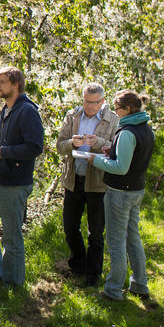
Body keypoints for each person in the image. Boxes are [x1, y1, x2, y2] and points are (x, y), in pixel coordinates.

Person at [0, 66, 44, 287]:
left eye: (2, 82)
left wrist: (4, 153)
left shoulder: (27, 112)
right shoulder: (5, 111)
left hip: (14, 184)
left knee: (12, 236)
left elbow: (34, 147)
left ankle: (13, 284)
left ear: (15, 84)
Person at [91, 90, 156, 304]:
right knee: (132, 238)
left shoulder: (128, 132)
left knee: (116, 242)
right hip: (136, 190)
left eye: (117, 109)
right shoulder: (145, 129)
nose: (115, 113)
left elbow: (120, 167)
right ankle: (139, 285)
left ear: (128, 109)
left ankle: (113, 290)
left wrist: (96, 160)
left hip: (120, 193)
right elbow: (133, 158)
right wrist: (113, 150)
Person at [56, 83, 120, 287]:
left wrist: (99, 143)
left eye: (94, 103)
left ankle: (93, 274)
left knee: (96, 231)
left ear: (102, 101)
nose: (90, 106)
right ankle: (78, 264)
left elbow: (116, 149)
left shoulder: (113, 119)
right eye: (86, 101)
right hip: (74, 179)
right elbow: (59, 146)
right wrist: (72, 143)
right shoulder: (72, 116)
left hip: (98, 181)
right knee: (70, 227)